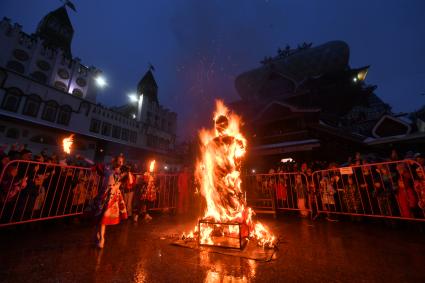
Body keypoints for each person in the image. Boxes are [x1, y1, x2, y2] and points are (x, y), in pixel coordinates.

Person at [94, 159, 128, 248]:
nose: (120, 163)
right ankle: (99, 234)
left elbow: (125, 182)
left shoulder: (123, 174)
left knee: (103, 219)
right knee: (99, 217)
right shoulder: (108, 171)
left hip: (112, 198)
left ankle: (102, 239)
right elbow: (97, 165)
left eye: (121, 162)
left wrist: (125, 172)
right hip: (103, 196)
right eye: (118, 162)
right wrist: (82, 158)